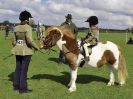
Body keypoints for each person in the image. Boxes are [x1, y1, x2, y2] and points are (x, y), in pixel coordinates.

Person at [11, 10, 39, 93]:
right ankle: (23, 89)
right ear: (27, 19)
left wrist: (19, 45)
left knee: (18, 68)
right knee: (24, 70)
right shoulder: (28, 28)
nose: (29, 20)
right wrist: (36, 47)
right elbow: (29, 40)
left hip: (17, 51)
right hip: (26, 52)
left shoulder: (16, 28)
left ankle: (16, 86)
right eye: (29, 18)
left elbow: (13, 41)